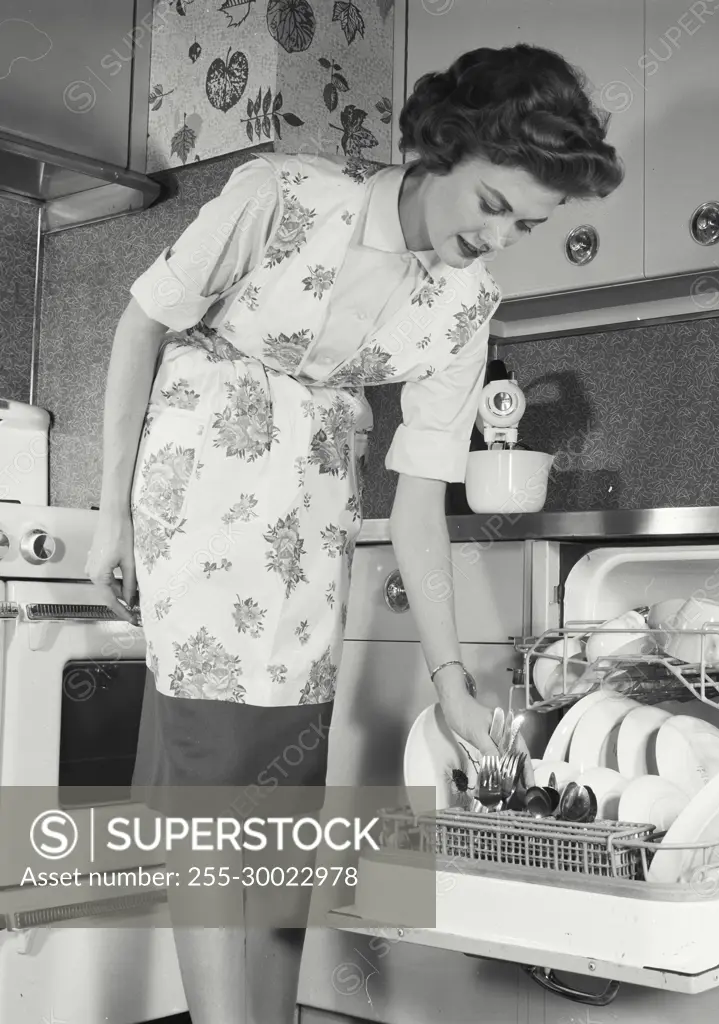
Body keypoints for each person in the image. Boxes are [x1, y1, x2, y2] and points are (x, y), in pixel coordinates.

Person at [86, 41, 623, 1024]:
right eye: (492, 204)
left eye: (528, 223)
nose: (498, 236)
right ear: (440, 149)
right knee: (215, 768)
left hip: (315, 516)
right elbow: (139, 325)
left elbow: (420, 503)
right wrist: (108, 510)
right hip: (202, 487)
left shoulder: (467, 303)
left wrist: (451, 680)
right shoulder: (281, 193)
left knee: (286, 783)